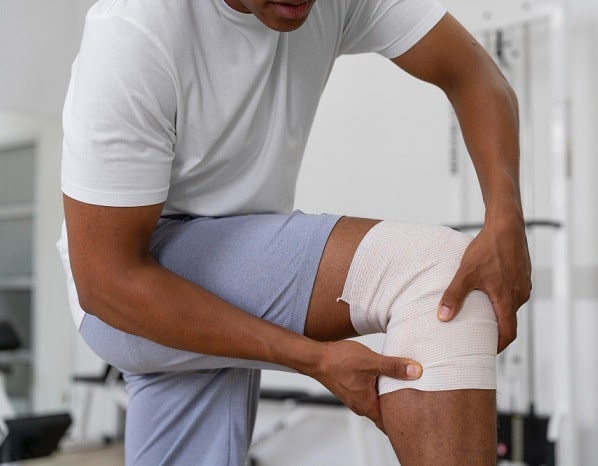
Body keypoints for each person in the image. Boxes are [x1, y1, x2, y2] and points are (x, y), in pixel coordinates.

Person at [58, 0, 531, 464]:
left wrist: (505, 216)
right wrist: (311, 358)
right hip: (128, 288)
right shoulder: (133, 30)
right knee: (436, 273)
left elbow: (472, 71)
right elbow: (105, 280)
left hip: (217, 256)